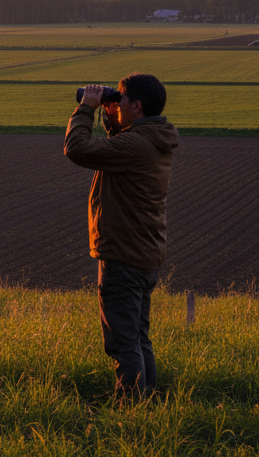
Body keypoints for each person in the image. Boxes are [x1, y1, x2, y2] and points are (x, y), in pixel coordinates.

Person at [64, 74, 179, 398]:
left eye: (123, 99)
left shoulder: (136, 144)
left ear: (137, 105)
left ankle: (131, 410)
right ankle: (148, 400)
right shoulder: (155, 138)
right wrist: (114, 117)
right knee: (138, 338)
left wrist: (87, 108)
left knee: (123, 343)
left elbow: (77, 149)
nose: (118, 103)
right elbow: (119, 146)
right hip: (144, 254)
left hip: (124, 257)